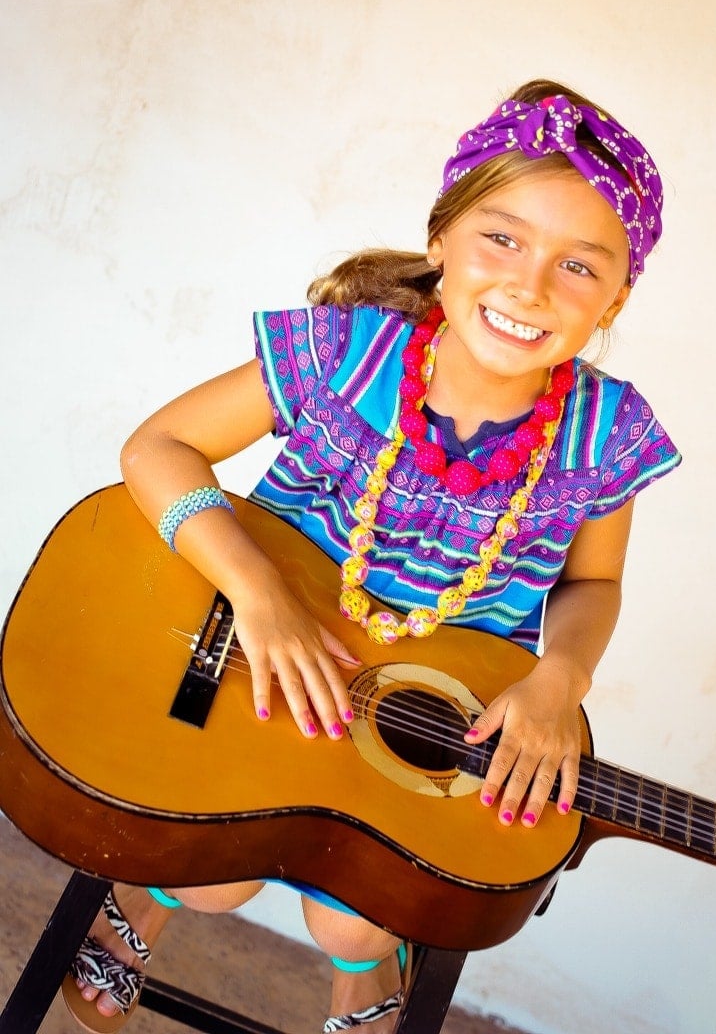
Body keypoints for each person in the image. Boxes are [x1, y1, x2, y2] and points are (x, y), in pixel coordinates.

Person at [61, 79, 681, 1033]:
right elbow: (156, 450)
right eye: (501, 239)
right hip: (253, 659)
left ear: (616, 298)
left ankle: (362, 972)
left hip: (429, 709)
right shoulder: (347, 353)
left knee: (353, 920)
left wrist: (563, 676)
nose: (528, 285)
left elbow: (593, 581)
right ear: (442, 240)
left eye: (579, 267)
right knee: (220, 878)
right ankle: (146, 901)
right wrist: (259, 593)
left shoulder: (609, 435)